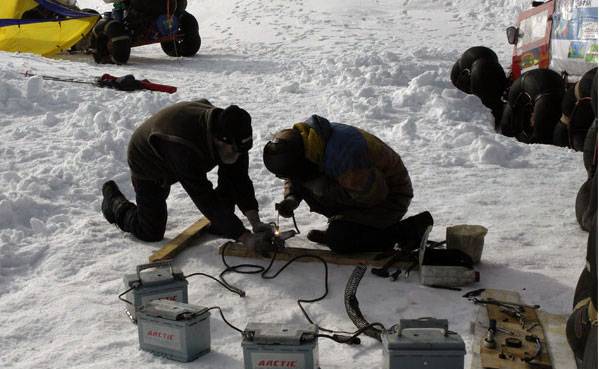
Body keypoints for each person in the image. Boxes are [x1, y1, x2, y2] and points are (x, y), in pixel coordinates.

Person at [101, 99, 274, 253]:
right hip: (148, 160)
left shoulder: (231, 130)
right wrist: (245, 237)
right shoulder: (183, 147)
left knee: (231, 172)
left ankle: (223, 223)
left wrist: (255, 221)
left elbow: (239, 178)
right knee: (150, 231)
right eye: (235, 150)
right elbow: (203, 196)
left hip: (185, 147)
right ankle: (114, 203)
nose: (239, 155)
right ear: (219, 140)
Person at [263, 114, 432, 254]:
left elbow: (374, 197)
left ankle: (405, 231)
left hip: (389, 199)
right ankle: (347, 228)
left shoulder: (345, 156)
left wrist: (322, 188)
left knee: (341, 241)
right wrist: (291, 197)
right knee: (306, 181)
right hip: (355, 186)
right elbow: (294, 174)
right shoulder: (301, 141)